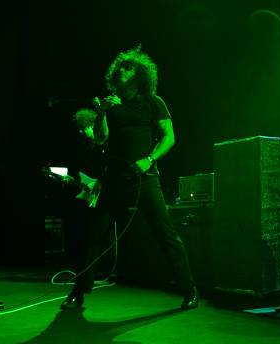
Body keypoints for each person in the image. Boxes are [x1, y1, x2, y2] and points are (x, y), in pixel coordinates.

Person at [61, 45, 198, 310]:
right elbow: (101, 139)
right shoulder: (111, 105)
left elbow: (169, 137)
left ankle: (189, 288)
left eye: (128, 67)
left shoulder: (153, 102)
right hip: (113, 178)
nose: (121, 70)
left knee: (165, 233)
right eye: (120, 67)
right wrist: (101, 113)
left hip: (144, 177)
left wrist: (149, 160)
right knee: (95, 235)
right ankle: (79, 293)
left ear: (140, 75)